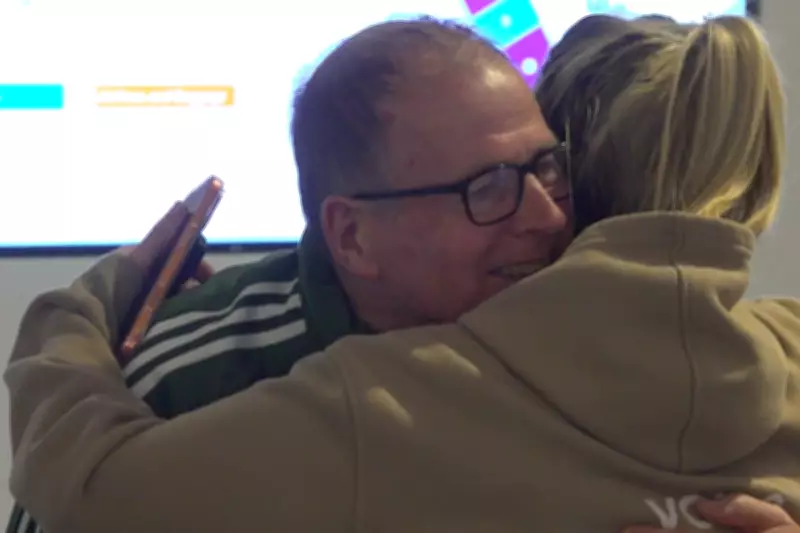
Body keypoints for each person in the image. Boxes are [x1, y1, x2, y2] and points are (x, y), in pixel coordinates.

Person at [7, 12, 800, 533]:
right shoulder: (209, 379)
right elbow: (79, 500)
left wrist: (72, 310)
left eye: (547, 167)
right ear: (352, 237)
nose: (545, 215)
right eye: (484, 188)